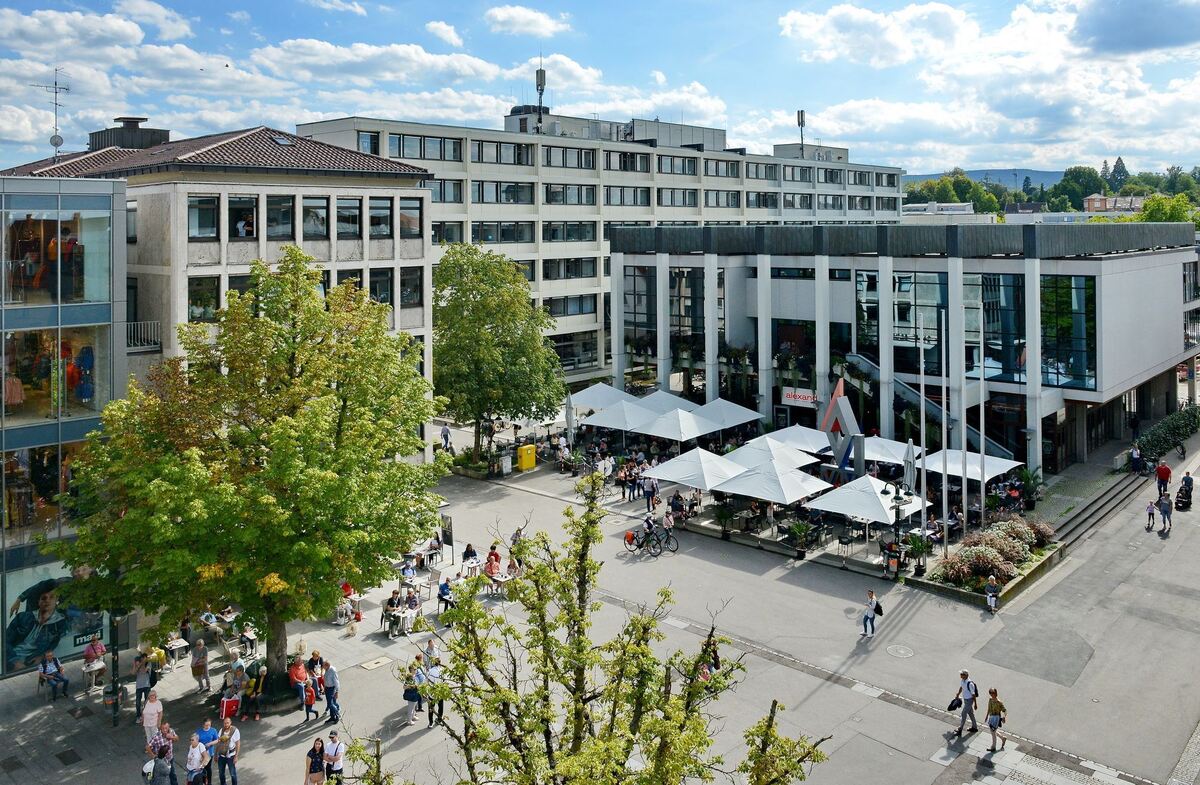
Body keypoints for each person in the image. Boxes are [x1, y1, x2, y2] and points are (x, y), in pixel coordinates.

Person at [147, 721, 180, 785]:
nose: (165, 730)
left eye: (166, 728)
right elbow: (148, 747)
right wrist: (153, 756)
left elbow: (177, 738)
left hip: (170, 758)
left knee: (172, 774)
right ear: (160, 729)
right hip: (161, 761)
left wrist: (172, 737)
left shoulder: (171, 731)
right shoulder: (157, 737)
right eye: (163, 728)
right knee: (160, 777)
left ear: (169, 727)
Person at [953, 670, 979, 737]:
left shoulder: (970, 684)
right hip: (966, 700)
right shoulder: (962, 681)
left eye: (962, 674)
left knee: (963, 713)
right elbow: (961, 687)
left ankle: (960, 729)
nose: (960, 675)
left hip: (969, 701)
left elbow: (973, 695)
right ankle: (975, 727)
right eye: (961, 674)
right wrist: (958, 694)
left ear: (966, 675)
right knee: (970, 713)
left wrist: (975, 704)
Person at [215, 717, 240, 785]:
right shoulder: (221, 730)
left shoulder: (235, 730)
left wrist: (236, 756)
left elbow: (238, 744)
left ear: (230, 722)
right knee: (221, 773)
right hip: (221, 755)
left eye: (227, 723)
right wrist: (215, 755)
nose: (226, 724)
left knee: (232, 774)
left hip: (231, 756)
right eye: (225, 723)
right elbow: (218, 743)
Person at [985, 687, 1008, 752]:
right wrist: (986, 716)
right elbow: (989, 708)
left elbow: (1005, 710)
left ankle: (993, 747)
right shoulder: (990, 700)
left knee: (993, 732)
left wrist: (1004, 717)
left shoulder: (999, 702)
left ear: (996, 693)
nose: (992, 694)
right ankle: (1003, 738)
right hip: (991, 717)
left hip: (996, 718)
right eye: (991, 693)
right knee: (993, 731)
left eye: (993, 693)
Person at [197, 718, 219, 784]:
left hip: (209, 753)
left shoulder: (213, 730)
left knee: (208, 768)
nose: (208, 727)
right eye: (206, 725)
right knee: (202, 768)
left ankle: (209, 782)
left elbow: (217, 740)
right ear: (203, 725)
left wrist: (210, 743)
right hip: (201, 753)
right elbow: (196, 741)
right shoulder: (199, 732)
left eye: (209, 725)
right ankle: (203, 782)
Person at [426, 657, 444, 729]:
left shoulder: (429, 671)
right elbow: (444, 681)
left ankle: (430, 722)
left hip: (432, 692)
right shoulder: (442, 671)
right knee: (440, 706)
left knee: (431, 708)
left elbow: (426, 682)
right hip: (440, 692)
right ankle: (439, 719)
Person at [322, 658, 340, 724]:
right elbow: (326, 680)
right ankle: (332, 717)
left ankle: (337, 715)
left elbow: (336, 682)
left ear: (327, 666)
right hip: (327, 688)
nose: (322, 666)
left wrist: (337, 692)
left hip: (332, 689)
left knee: (330, 704)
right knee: (330, 704)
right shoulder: (327, 670)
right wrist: (324, 688)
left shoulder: (332, 671)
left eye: (323, 665)